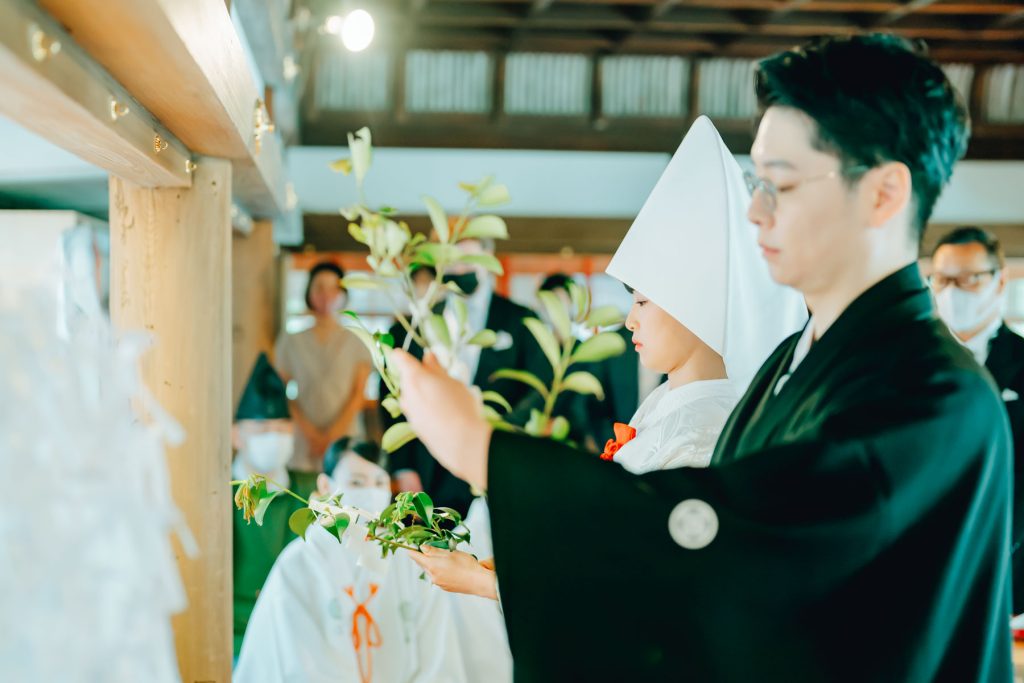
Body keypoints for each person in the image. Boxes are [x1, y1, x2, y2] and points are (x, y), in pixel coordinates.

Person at [391, 34, 1013, 681]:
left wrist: (483, 449)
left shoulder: (932, 396)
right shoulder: (788, 364)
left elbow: (736, 554)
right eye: (757, 183)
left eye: (781, 184)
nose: (755, 210)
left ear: (883, 194)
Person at [410, 114, 806, 600]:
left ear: (695, 307)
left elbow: (641, 585)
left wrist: (487, 582)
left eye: (641, 302)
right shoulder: (668, 406)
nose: (630, 321)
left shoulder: (707, 431)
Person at [234, 437, 469, 683]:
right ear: (326, 486)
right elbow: (298, 659)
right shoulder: (301, 562)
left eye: (379, 482)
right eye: (357, 482)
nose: (370, 492)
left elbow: (438, 651)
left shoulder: (408, 557)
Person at [384, 238, 538, 515]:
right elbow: (394, 392)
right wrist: (404, 467)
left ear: (489, 260)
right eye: (453, 260)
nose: (460, 267)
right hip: (426, 468)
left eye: (469, 259)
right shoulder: (416, 324)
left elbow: (538, 388)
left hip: (493, 461)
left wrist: (502, 436)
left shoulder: (521, 320)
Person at [932, 226, 1024, 614]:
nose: (955, 291)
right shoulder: (909, 362)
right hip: (925, 563)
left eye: (970, 279)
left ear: (999, 280)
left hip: (1011, 565)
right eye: (944, 279)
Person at [232, 353, 319, 658]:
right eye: (263, 429)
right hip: (234, 633)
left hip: (299, 632)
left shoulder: (312, 489)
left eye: (282, 429)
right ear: (236, 435)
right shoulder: (215, 495)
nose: (275, 437)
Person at [275, 261, 372, 473]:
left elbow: (358, 395)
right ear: (308, 292)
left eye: (333, 287)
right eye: (319, 287)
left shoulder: (357, 340)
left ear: (343, 293)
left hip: (347, 439)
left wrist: (330, 437)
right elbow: (280, 391)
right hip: (302, 442)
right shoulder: (290, 341)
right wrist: (312, 436)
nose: (326, 294)